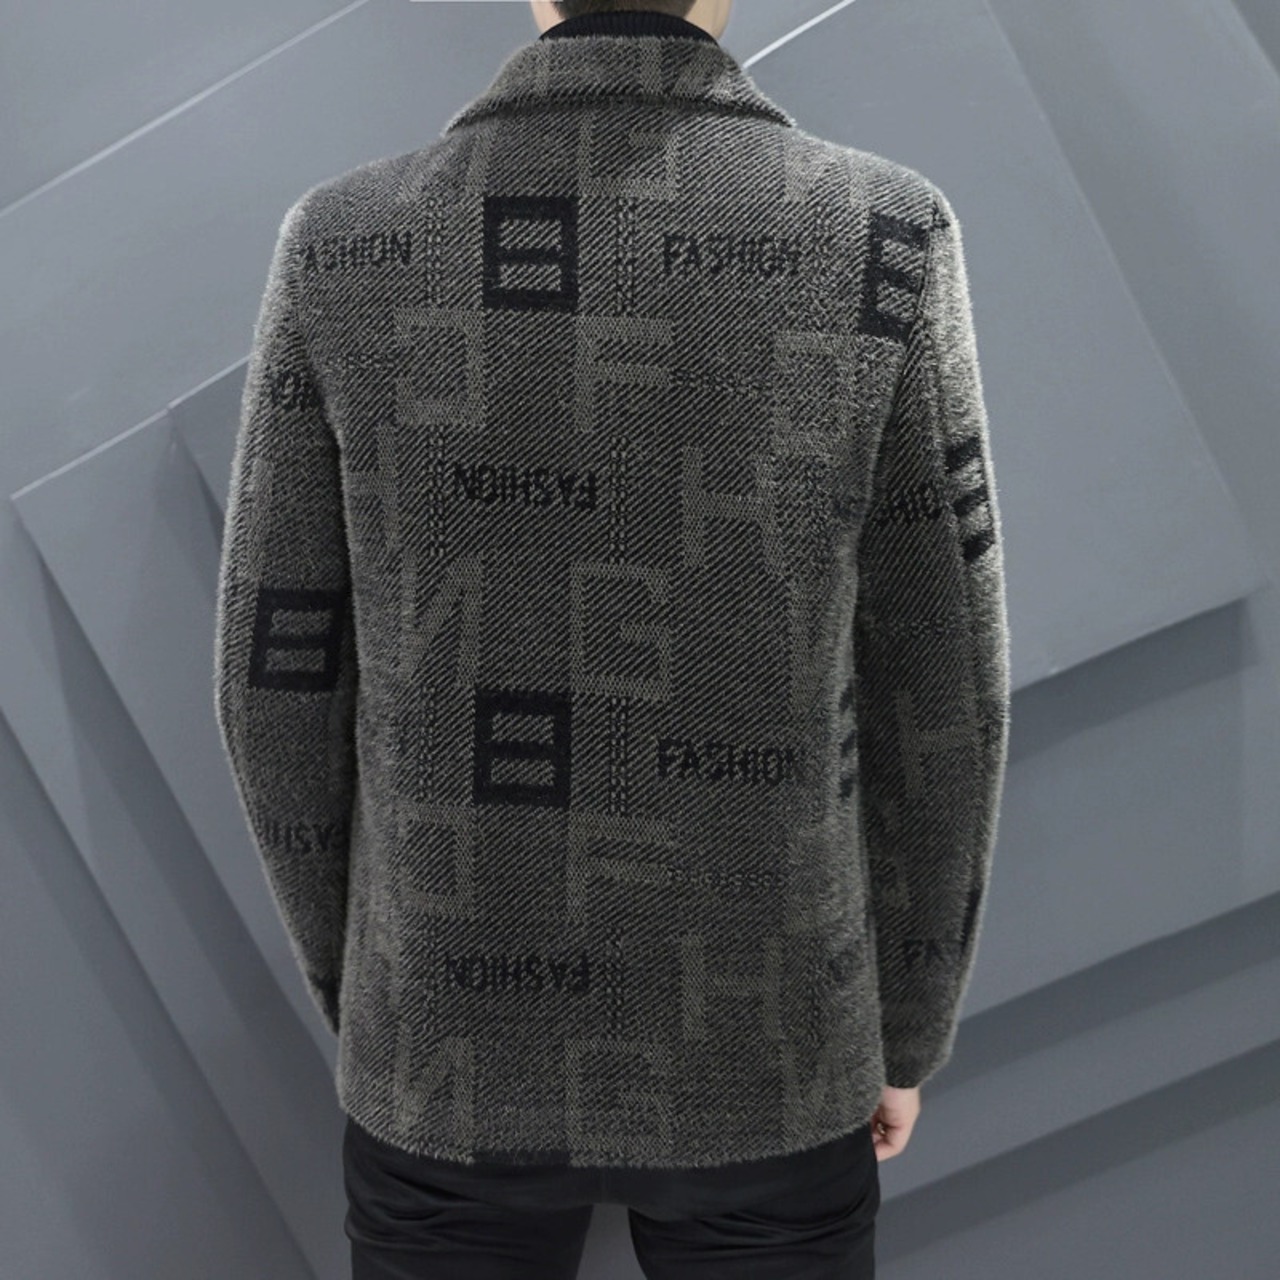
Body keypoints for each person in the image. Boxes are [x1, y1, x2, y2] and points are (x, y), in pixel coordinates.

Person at [213, 0, 1011, 1275]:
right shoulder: (879, 232)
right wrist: (902, 1027)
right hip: (770, 1042)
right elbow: (942, 679)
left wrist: (372, 989)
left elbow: (275, 679)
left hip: (445, 1039)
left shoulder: (345, 242)